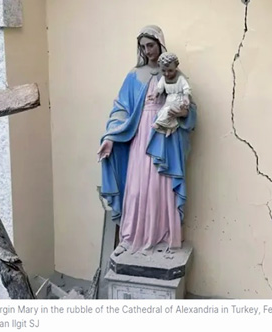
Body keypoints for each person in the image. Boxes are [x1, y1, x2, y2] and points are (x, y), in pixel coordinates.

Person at [97, 25, 197, 255]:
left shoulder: (174, 74)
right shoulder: (134, 75)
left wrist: (182, 112)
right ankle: (131, 237)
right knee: (136, 188)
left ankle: (163, 237)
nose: (147, 50)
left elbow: (190, 108)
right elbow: (121, 108)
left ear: (160, 44)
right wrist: (111, 137)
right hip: (141, 133)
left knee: (160, 189)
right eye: (143, 46)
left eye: (150, 45)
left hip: (165, 136)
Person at [150, 52, 192, 137]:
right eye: (163, 71)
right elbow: (160, 88)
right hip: (169, 99)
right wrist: (155, 94)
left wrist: (186, 97)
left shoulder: (180, 78)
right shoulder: (163, 78)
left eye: (170, 70)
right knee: (164, 112)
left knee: (169, 111)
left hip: (178, 100)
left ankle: (158, 124)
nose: (167, 74)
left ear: (176, 68)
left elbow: (186, 88)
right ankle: (168, 128)